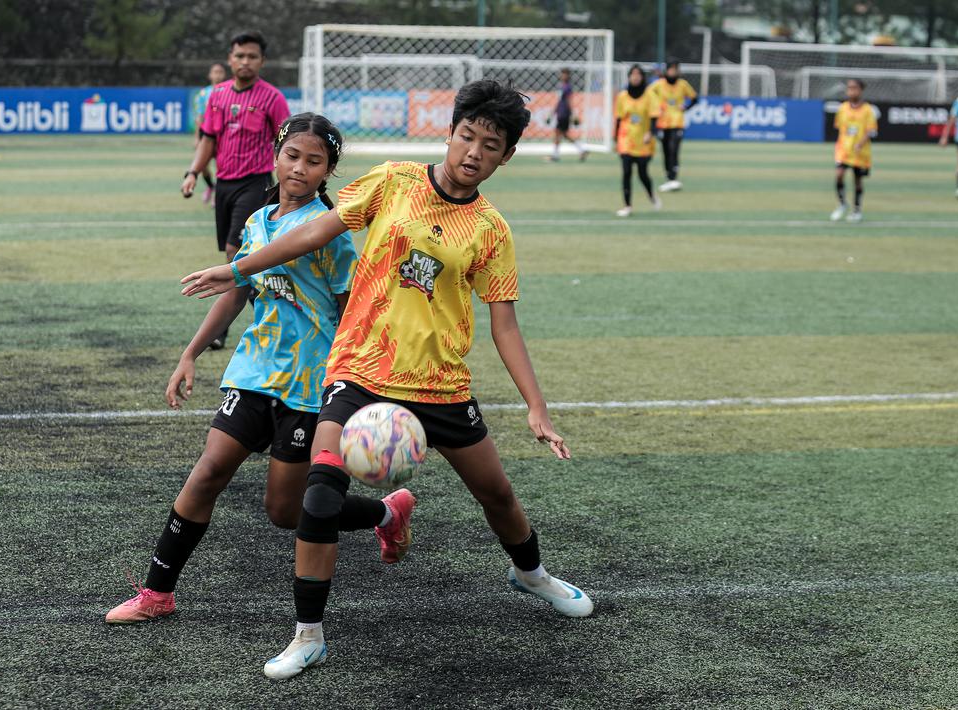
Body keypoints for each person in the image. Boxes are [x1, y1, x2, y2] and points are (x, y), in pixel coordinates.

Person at [181, 79, 594, 680]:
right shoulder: (393, 181)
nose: (473, 152)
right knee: (318, 496)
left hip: (440, 385)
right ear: (449, 134)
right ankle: (308, 635)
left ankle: (530, 573)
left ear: (506, 156)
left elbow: (504, 324)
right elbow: (318, 230)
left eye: (490, 144)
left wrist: (536, 406)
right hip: (360, 370)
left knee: (497, 495)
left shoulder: (491, 231)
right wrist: (238, 268)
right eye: (466, 136)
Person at [106, 114, 362, 625]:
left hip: (309, 384)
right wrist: (191, 352)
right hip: (252, 371)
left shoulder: (329, 233)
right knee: (207, 473)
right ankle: (158, 592)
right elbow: (239, 290)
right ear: (275, 156)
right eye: (293, 156)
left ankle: (383, 512)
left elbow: (350, 308)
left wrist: (351, 380)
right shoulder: (257, 222)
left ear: (328, 172)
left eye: (315, 162)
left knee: (284, 512)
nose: (300, 168)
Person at [183, 30, 291, 350]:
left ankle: (225, 329)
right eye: (240, 56)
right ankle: (270, 312)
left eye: (252, 57)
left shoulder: (273, 98)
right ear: (230, 59)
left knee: (236, 252)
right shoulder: (217, 96)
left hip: (256, 182)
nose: (245, 62)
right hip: (225, 185)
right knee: (238, 255)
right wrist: (193, 172)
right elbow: (208, 140)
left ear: (262, 61)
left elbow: (287, 142)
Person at [614, 64, 661, 217]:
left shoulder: (649, 95)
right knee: (626, 172)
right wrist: (616, 138)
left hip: (643, 141)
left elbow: (654, 116)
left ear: (642, 77)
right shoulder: (622, 96)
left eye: (638, 74)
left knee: (642, 174)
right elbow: (619, 119)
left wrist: (650, 133)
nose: (635, 77)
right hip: (625, 139)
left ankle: (652, 195)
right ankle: (627, 206)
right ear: (628, 76)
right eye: (632, 74)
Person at [830, 78, 877, 223]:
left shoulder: (868, 110)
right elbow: (839, 127)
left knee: (857, 181)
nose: (851, 91)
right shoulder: (843, 108)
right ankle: (842, 204)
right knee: (839, 175)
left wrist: (860, 143)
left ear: (861, 90)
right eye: (849, 88)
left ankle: (857, 210)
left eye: (854, 88)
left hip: (860, 152)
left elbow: (871, 131)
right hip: (844, 151)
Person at [649, 60, 698, 192]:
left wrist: (686, 107)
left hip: (677, 122)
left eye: (676, 69)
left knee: (674, 149)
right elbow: (647, 95)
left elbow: (694, 98)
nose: (673, 72)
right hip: (662, 123)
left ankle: (673, 178)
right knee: (665, 150)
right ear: (667, 70)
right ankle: (669, 177)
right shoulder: (658, 85)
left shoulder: (683, 85)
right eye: (671, 69)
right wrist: (656, 107)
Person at [190, 62, 228, 207]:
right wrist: (196, 138)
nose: (217, 75)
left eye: (220, 72)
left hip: (222, 136)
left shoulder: (228, 91)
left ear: (224, 74)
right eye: (215, 72)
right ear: (210, 75)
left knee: (221, 165)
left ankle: (217, 194)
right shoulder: (203, 94)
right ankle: (211, 187)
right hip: (206, 136)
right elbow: (199, 117)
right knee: (203, 166)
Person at [549, 68, 588, 162]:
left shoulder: (567, 87)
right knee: (564, 134)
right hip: (560, 113)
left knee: (558, 133)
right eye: (562, 74)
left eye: (565, 74)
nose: (563, 76)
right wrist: (552, 113)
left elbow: (569, 100)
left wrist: (573, 114)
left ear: (568, 76)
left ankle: (555, 155)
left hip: (564, 114)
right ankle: (581, 150)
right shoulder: (561, 86)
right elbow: (558, 101)